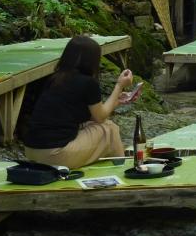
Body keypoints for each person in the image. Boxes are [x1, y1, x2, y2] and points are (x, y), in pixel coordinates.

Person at [23, 35, 134, 170]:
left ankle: (118, 164)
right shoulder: (88, 83)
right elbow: (100, 117)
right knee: (109, 129)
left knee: (92, 124)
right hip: (55, 154)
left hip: (31, 151)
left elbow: (94, 116)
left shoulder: (54, 79)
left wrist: (117, 101)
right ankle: (124, 169)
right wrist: (119, 86)